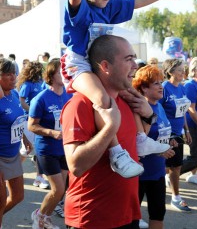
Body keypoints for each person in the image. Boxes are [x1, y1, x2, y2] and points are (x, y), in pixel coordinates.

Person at [60, 0, 181, 178]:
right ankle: (117, 153)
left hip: (98, 63)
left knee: (131, 94)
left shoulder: (109, 7)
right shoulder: (82, 7)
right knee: (102, 99)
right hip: (78, 65)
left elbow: (136, 1)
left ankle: (141, 139)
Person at [61, 35, 158, 229]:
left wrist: (149, 117)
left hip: (128, 214)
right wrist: (109, 129)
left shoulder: (127, 101)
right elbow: (76, 165)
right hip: (92, 218)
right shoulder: (80, 104)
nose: (135, 66)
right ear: (105, 66)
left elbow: (135, 145)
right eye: (128, 59)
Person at [28, 59, 72, 229]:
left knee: (61, 192)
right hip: (47, 150)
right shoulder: (41, 98)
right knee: (57, 190)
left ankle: (45, 217)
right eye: (61, 72)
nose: (65, 74)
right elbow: (31, 125)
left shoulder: (69, 95)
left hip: (65, 149)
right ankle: (39, 217)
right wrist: (51, 132)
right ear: (51, 75)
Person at [132, 65, 175, 229]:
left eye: (161, 82)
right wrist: (160, 148)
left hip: (157, 173)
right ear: (143, 87)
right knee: (131, 220)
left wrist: (170, 140)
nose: (161, 87)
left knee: (158, 215)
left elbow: (161, 132)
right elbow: (140, 142)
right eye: (156, 83)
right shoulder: (139, 108)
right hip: (139, 175)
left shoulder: (159, 105)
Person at [0, 58, 32, 227]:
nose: (14, 78)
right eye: (7, 74)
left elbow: (18, 121)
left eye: (14, 74)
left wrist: (25, 139)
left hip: (13, 155)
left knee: (18, 196)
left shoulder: (14, 94)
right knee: (1, 198)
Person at [159, 58, 192, 212]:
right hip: (167, 134)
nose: (183, 72)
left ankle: (169, 185)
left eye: (183, 69)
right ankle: (176, 198)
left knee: (172, 166)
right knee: (175, 166)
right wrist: (169, 135)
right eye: (179, 70)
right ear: (170, 72)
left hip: (179, 132)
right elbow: (158, 111)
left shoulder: (182, 88)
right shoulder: (164, 87)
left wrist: (187, 130)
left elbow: (183, 111)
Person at [16, 61, 49, 189]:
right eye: (38, 69)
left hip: (40, 121)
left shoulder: (42, 83)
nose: (40, 72)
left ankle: (39, 177)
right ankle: (14, 172)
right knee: (26, 149)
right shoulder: (27, 85)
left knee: (39, 149)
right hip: (28, 120)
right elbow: (22, 101)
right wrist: (34, 112)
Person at [180, 57, 197, 184]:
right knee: (196, 156)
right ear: (196, 69)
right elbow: (191, 109)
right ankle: (170, 172)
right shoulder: (190, 85)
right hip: (194, 124)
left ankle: (193, 175)